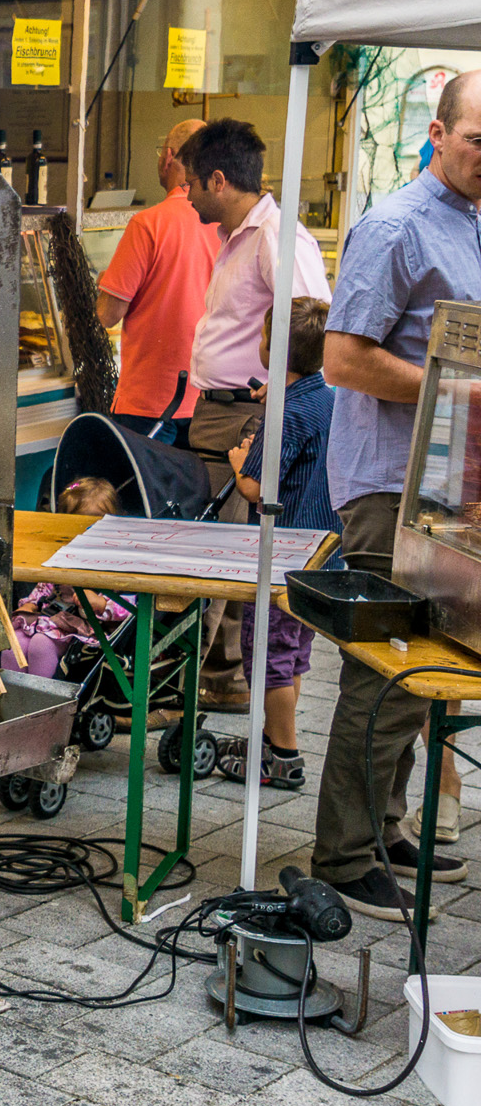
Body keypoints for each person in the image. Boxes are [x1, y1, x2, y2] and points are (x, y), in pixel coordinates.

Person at [313, 69, 481, 920]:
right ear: (439, 135)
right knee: (384, 674)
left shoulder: (471, 224)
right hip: (386, 485)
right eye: (480, 139)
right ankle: (343, 858)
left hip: (445, 490)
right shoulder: (396, 226)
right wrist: (457, 390)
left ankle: (383, 826)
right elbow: (342, 360)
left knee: (425, 669)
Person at [180, 120, 331, 707]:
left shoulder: (275, 237)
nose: (188, 194)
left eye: (193, 182)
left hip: (244, 413)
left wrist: (280, 388)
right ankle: (219, 678)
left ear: (219, 180)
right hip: (218, 409)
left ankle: (215, 681)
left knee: (224, 549)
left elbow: (310, 318)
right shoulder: (238, 234)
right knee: (218, 542)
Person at [219, 298, 338, 792]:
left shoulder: (282, 412)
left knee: (266, 652)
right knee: (292, 651)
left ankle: (283, 755)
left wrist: (238, 459)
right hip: (321, 551)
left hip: (282, 553)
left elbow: (259, 489)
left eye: (265, 336)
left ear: (277, 348)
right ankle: (274, 738)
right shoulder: (328, 397)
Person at [96, 119, 218, 448]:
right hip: (208, 401)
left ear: (167, 157)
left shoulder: (147, 224)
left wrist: (99, 288)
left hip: (149, 403)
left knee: (145, 497)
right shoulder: (226, 224)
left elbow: (107, 315)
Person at [2, 477, 129, 679]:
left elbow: (129, 606)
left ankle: (44, 703)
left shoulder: (114, 562)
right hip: (50, 617)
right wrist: (30, 604)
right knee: (13, 642)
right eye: (76, 522)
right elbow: (45, 588)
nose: (85, 530)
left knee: (41, 645)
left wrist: (101, 603)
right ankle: (15, 700)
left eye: (95, 521)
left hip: (83, 629)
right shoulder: (62, 554)